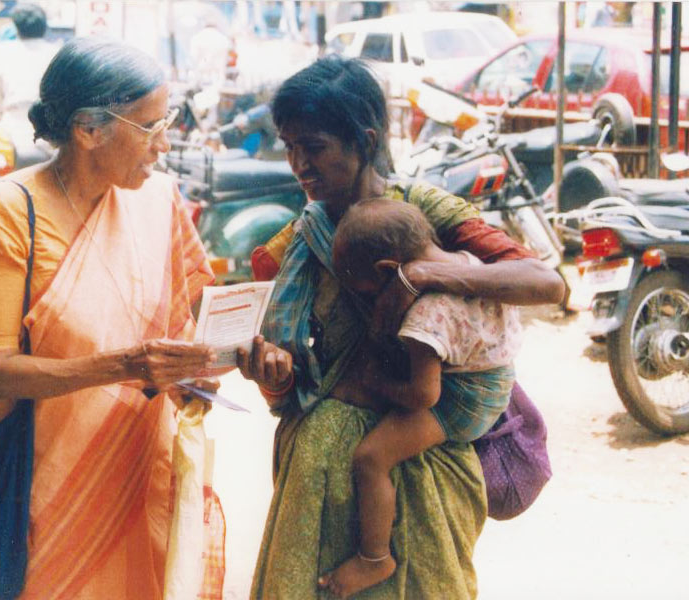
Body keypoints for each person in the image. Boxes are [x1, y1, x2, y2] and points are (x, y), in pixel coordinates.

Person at [236, 55, 564, 599]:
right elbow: (290, 385)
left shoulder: (422, 215)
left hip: (425, 467)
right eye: (289, 146)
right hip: (316, 474)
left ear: (364, 140)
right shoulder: (295, 243)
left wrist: (426, 275)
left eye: (313, 147)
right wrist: (269, 371)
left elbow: (545, 283)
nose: (299, 165)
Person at [0, 37, 222, 598]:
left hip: (139, 474)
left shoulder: (159, 201)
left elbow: (195, 312)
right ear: (89, 131)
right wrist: (128, 365)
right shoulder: (7, 211)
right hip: (47, 489)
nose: (164, 144)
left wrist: (205, 367)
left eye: (167, 121)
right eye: (151, 126)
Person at [321, 198, 521, 597]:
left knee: (372, 457)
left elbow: (422, 395)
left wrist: (376, 382)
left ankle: (375, 558)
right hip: (497, 376)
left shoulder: (425, 317)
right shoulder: (467, 262)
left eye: (368, 294)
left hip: (462, 400)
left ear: (388, 274)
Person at [0, 3, 58, 162]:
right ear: (44, 26)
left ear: (16, 28)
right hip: (50, 137)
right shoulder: (57, 53)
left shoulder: (3, 54)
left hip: (11, 135)